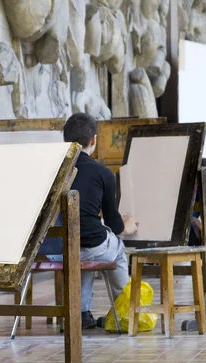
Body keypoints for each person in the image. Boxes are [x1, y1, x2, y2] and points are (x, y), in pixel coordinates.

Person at [45, 113, 139, 329]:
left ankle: (82, 313)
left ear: (65, 141)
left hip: (53, 247)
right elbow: (116, 226)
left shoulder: (52, 171)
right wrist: (128, 225)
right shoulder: (102, 173)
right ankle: (124, 311)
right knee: (114, 247)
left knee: (81, 251)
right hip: (87, 245)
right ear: (94, 140)